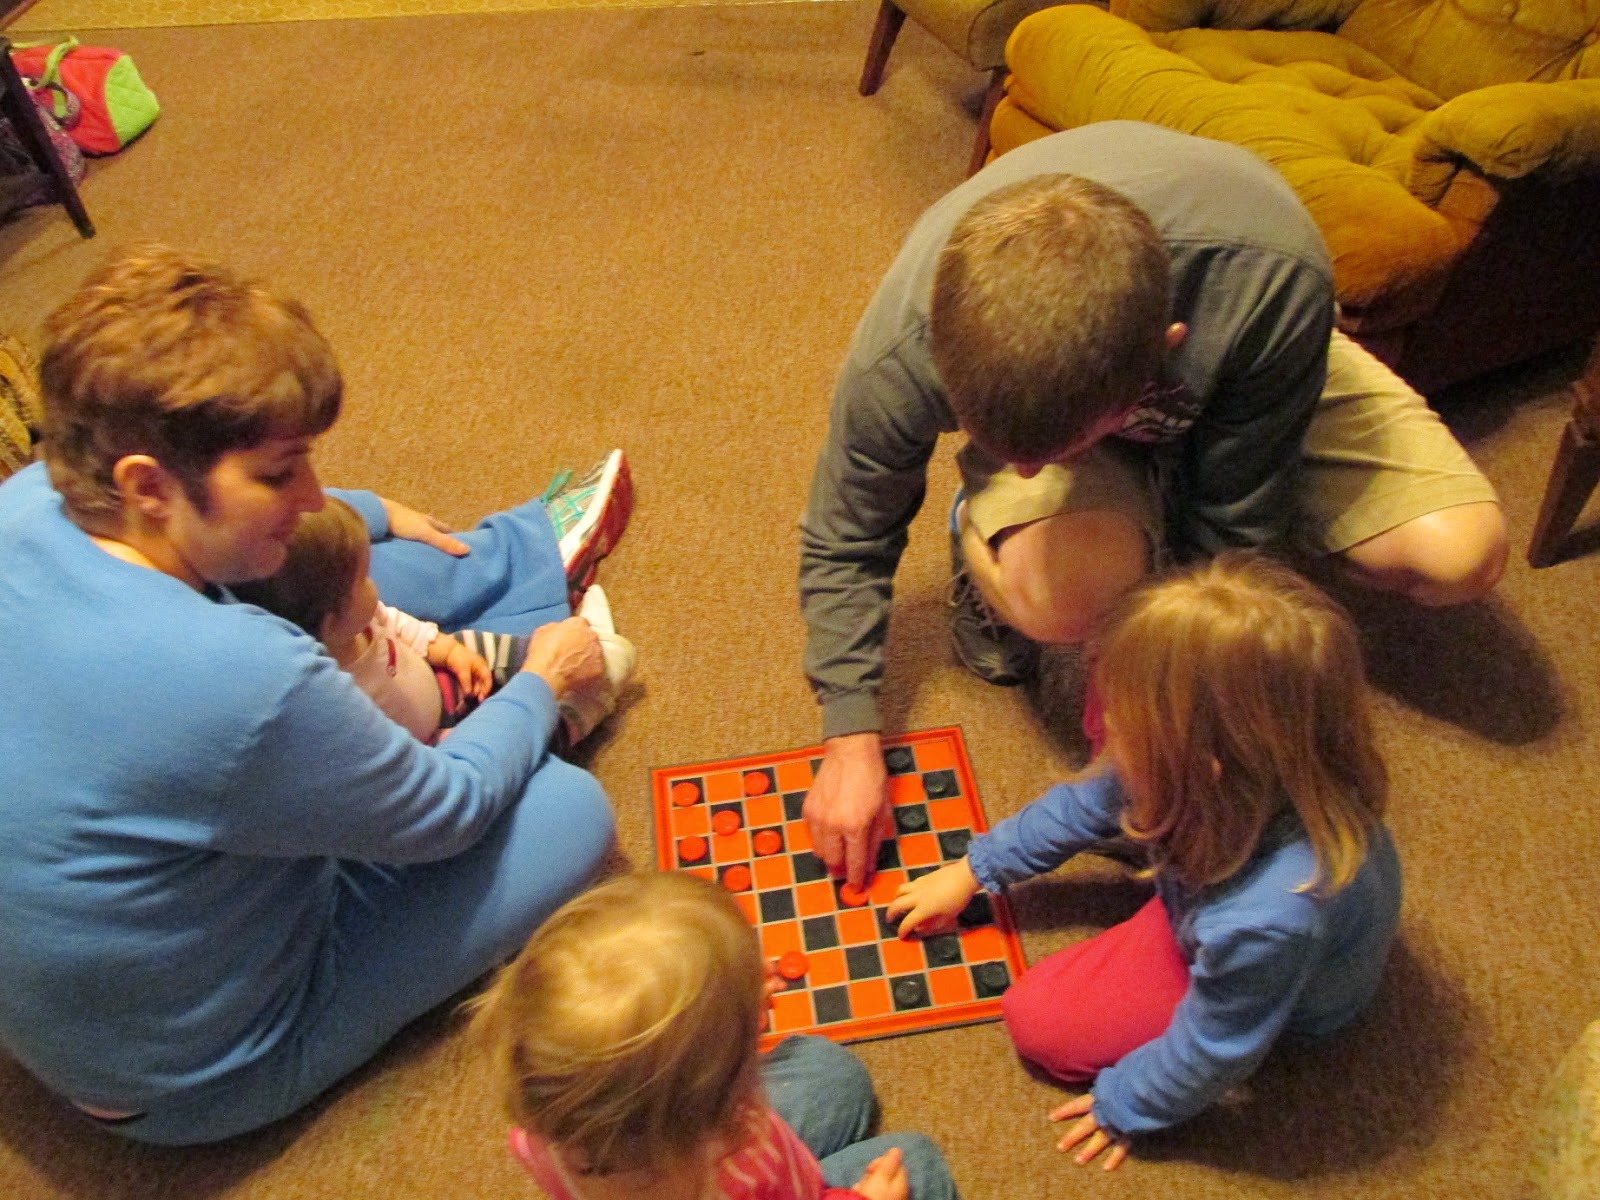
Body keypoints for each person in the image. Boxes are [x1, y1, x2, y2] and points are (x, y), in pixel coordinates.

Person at [0, 245, 634, 1144]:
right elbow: (446, 812)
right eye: (277, 472)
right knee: (567, 810)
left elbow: (309, 533)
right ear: (147, 484)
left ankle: (513, 562)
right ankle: (527, 616)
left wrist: (371, 512)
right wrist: (540, 684)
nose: (308, 493)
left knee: (341, 561)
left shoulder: (29, 500)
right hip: (195, 1072)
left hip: (83, 998)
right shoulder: (241, 678)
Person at [798, 121, 1505, 888]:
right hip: (1096, 383)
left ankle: (1131, 501)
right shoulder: (908, 343)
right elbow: (848, 527)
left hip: (1254, 353)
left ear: (1163, 353)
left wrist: (1170, 680)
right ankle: (985, 531)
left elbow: (1235, 523)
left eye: (1049, 451)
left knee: (1461, 556)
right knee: (1066, 597)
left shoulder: (1271, 281)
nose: (1025, 469)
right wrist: (850, 741)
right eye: (1005, 452)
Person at [885, 553, 1402, 1172]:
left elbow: (1217, 1046)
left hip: (1282, 989)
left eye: (1117, 723)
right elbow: (1086, 803)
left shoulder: (1267, 919)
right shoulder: (1254, 766)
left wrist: (1126, 1104)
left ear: (1195, 770)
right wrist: (975, 870)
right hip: (1221, 893)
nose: (1101, 727)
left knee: (1038, 1023)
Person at [468, 871, 961, 1200]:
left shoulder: (543, 1132)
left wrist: (733, 1013)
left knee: (832, 1070)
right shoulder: (746, 1174)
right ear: (727, 1106)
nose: (767, 972)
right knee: (917, 1162)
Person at [231, 496, 638, 747]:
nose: (375, 587)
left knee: (488, 646)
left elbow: (397, 624)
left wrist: (446, 651)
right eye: (362, 582)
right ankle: (588, 704)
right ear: (331, 622)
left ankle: (576, 646)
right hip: (433, 740)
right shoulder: (336, 698)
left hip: (437, 676)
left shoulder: (359, 620)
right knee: (533, 740)